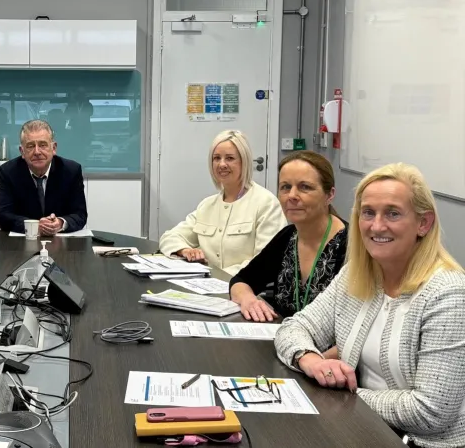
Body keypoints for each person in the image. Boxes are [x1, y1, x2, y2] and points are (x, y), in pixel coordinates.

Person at [274, 163, 465, 448]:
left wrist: (343, 394)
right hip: (360, 428)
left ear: (423, 223)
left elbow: (430, 412)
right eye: (368, 213)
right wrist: (310, 359)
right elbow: (294, 328)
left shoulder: (448, 293)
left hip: (423, 442)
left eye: (393, 213)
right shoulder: (357, 275)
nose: (376, 226)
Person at [229, 151, 348, 322]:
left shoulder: (350, 245)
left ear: (329, 195)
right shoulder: (288, 237)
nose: (292, 196)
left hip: (326, 348)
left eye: (304, 187)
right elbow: (241, 280)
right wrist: (248, 300)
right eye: (285, 187)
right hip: (282, 340)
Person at [159, 130, 286, 275]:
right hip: (207, 286)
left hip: (246, 289)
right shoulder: (207, 206)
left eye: (230, 158)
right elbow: (169, 237)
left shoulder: (266, 204)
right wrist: (185, 250)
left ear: (244, 162)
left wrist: (219, 277)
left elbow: (266, 261)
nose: (222, 164)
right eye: (216, 158)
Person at [0, 119, 87, 235]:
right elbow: (3, 215)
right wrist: (35, 226)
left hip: (60, 244)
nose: (37, 152)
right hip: (22, 243)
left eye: (43, 145)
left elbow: (80, 215)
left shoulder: (71, 171)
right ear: (22, 151)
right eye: (30, 146)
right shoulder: (9, 172)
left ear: (53, 148)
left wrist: (60, 223)